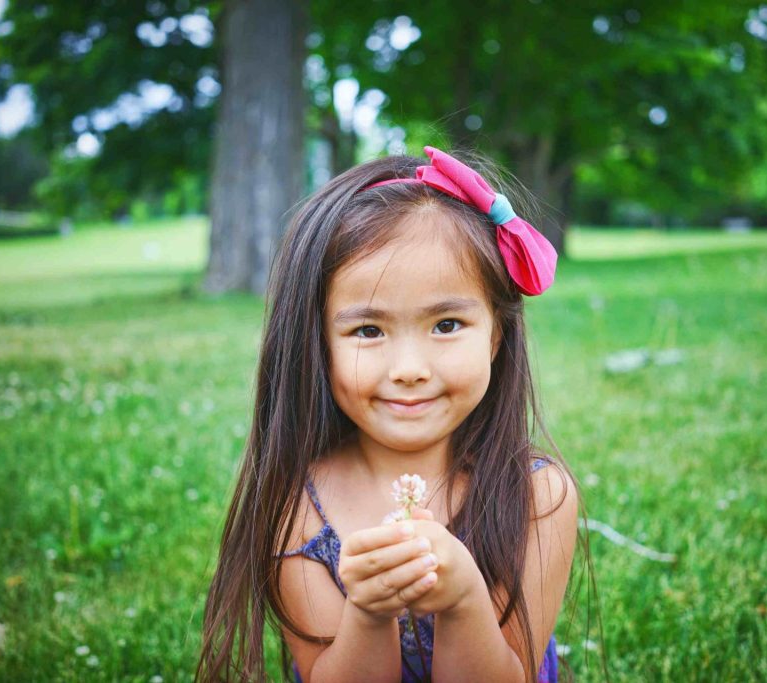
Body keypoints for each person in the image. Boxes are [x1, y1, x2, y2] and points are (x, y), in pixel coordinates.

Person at [197, 146, 586, 683]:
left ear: (497, 332)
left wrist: (464, 600)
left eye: (447, 324)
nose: (409, 369)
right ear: (318, 343)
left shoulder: (538, 496)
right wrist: (370, 611)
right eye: (368, 330)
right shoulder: (296, 502)